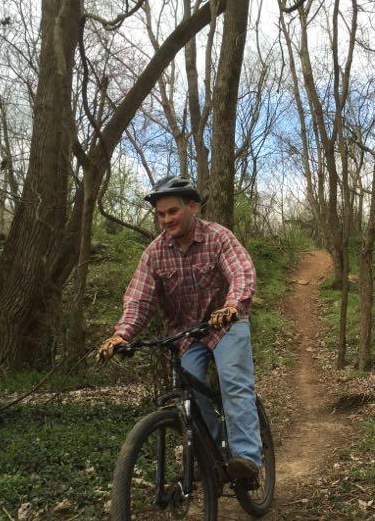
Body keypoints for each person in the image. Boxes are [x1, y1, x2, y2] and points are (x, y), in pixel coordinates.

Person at [96, 175, 262, 480]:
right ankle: (213, 456)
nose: (166, 220)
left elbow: (241, 271)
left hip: (225, 324)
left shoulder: (218, 237)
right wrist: (122, 334)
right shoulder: (155, 253)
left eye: (172, 211)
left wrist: (233, 304)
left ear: (192, 207)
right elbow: (139, 298)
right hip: (186, 335)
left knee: (233, 382)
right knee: (191, 391)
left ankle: (247, 460)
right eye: (160, 214)